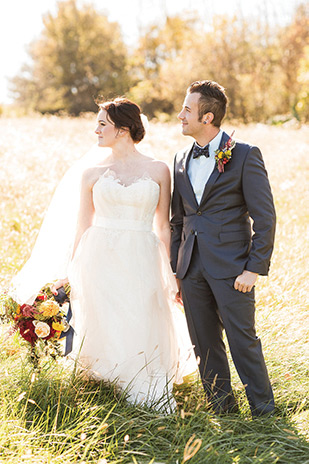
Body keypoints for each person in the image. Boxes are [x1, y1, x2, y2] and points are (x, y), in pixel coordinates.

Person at [47, 97, 196, 408]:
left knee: (142, 315)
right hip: (100, 255)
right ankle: (109, 379)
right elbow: (82, 226)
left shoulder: (158, 170)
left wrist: (171, 272)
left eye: (103, 124)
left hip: (142, 254)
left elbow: (164, 227)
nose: (96, 130)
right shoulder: (91, 173)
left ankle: (143, 381)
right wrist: (72, 270)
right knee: (107, 316)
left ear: (124, 129)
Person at [170, 80, 276, 417]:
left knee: (243, 342)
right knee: (205, 344)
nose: (180, 115)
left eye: (187, 109)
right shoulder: (180, 158)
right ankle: (223, 411)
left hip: (234, 270)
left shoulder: (244, 154)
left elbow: (266, 217)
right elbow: (179, 220)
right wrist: (177, 269)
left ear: (208, 116)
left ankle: (264, 412)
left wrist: (254, 268)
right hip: (192, 269)